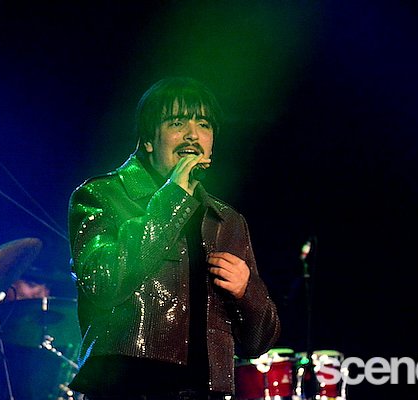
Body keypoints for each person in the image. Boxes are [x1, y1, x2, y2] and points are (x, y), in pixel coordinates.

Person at [66, 77, 281, 400]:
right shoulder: (103, 195)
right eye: (177, 123)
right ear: (148, 140)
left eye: (203, 125)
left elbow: (259, 343)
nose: (193, 134)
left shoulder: (227, 221)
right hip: (126, 389)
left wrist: (246, 291)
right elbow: (102, 282)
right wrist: (172, 199)